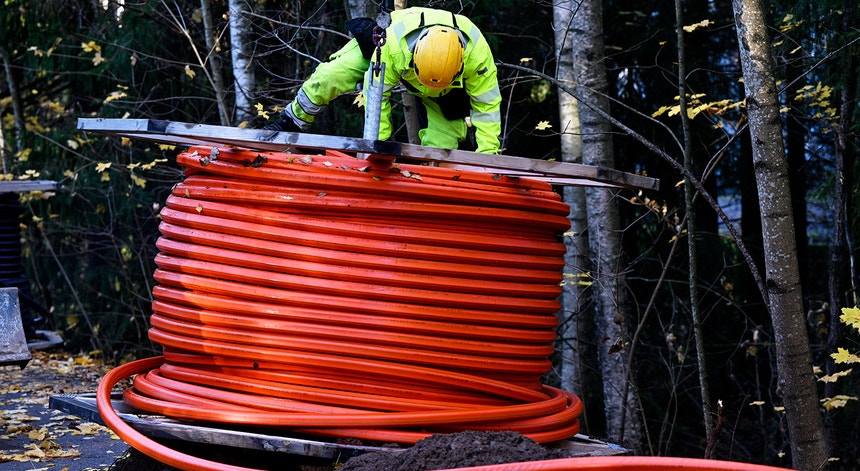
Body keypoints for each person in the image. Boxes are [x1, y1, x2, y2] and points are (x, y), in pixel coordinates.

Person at [263, 6, 502, 154]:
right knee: (331, 76)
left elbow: (488, 108)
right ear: (414, 56)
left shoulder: (478, 58)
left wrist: (489, 158)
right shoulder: (393, 46)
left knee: (443, 150)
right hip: (386, 49)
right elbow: (378, 95)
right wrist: (379, 148)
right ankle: (292, 122)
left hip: (446, 92)